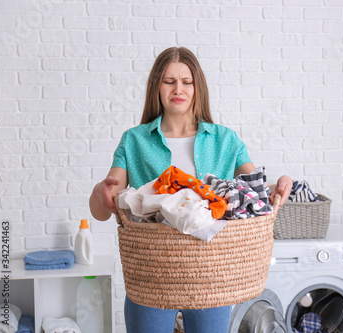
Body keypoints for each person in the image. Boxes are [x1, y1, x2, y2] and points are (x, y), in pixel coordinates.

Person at [89, 46, 293, 333]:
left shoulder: (225, 140)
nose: (178, 89)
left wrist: (278, 187)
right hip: (153, 272)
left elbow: (254, 191)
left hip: (211, 272)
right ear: (156, 87)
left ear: (198, 87)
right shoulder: (134, 141)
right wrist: (100, 192)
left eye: (186, 82)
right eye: (169, 81)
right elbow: (103, 207)